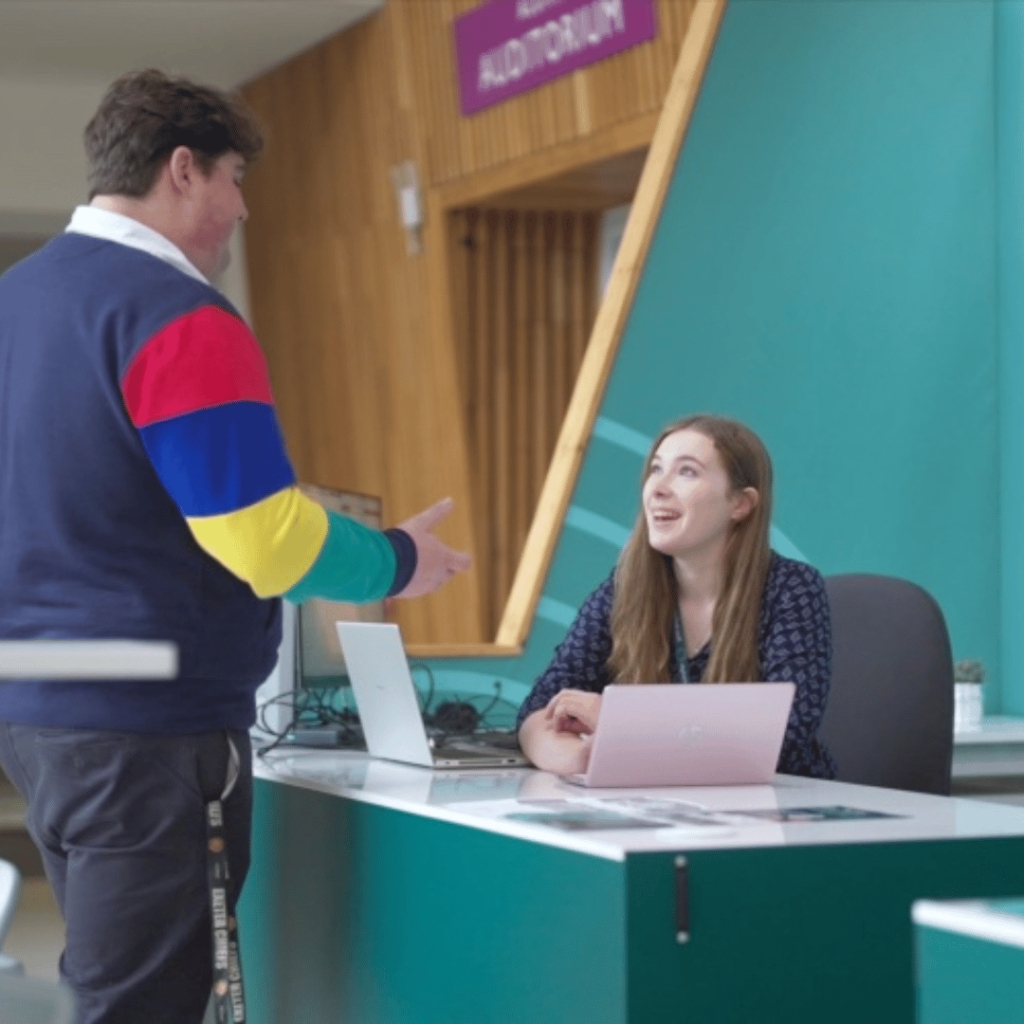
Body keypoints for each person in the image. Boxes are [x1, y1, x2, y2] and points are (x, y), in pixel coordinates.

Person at [0, 69, 470, 1024]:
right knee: (149, 1003)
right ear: (182, 170)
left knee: (109, 981)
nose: (244, 208)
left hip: (38, 714)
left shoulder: (14, 301)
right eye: (234, 178)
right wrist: (395, 561)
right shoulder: (176, 315)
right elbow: (265, 541)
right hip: (151, 734)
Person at [517, 413, 836, 779]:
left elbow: (785, 737)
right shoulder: (626, 586)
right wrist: (580, 759)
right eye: (656, 469)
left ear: (741, 504)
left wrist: (625, 725)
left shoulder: (792, 588)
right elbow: (537, 710)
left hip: (779, 811)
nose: (657, 488)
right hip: (663, 805)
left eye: (687, 472)